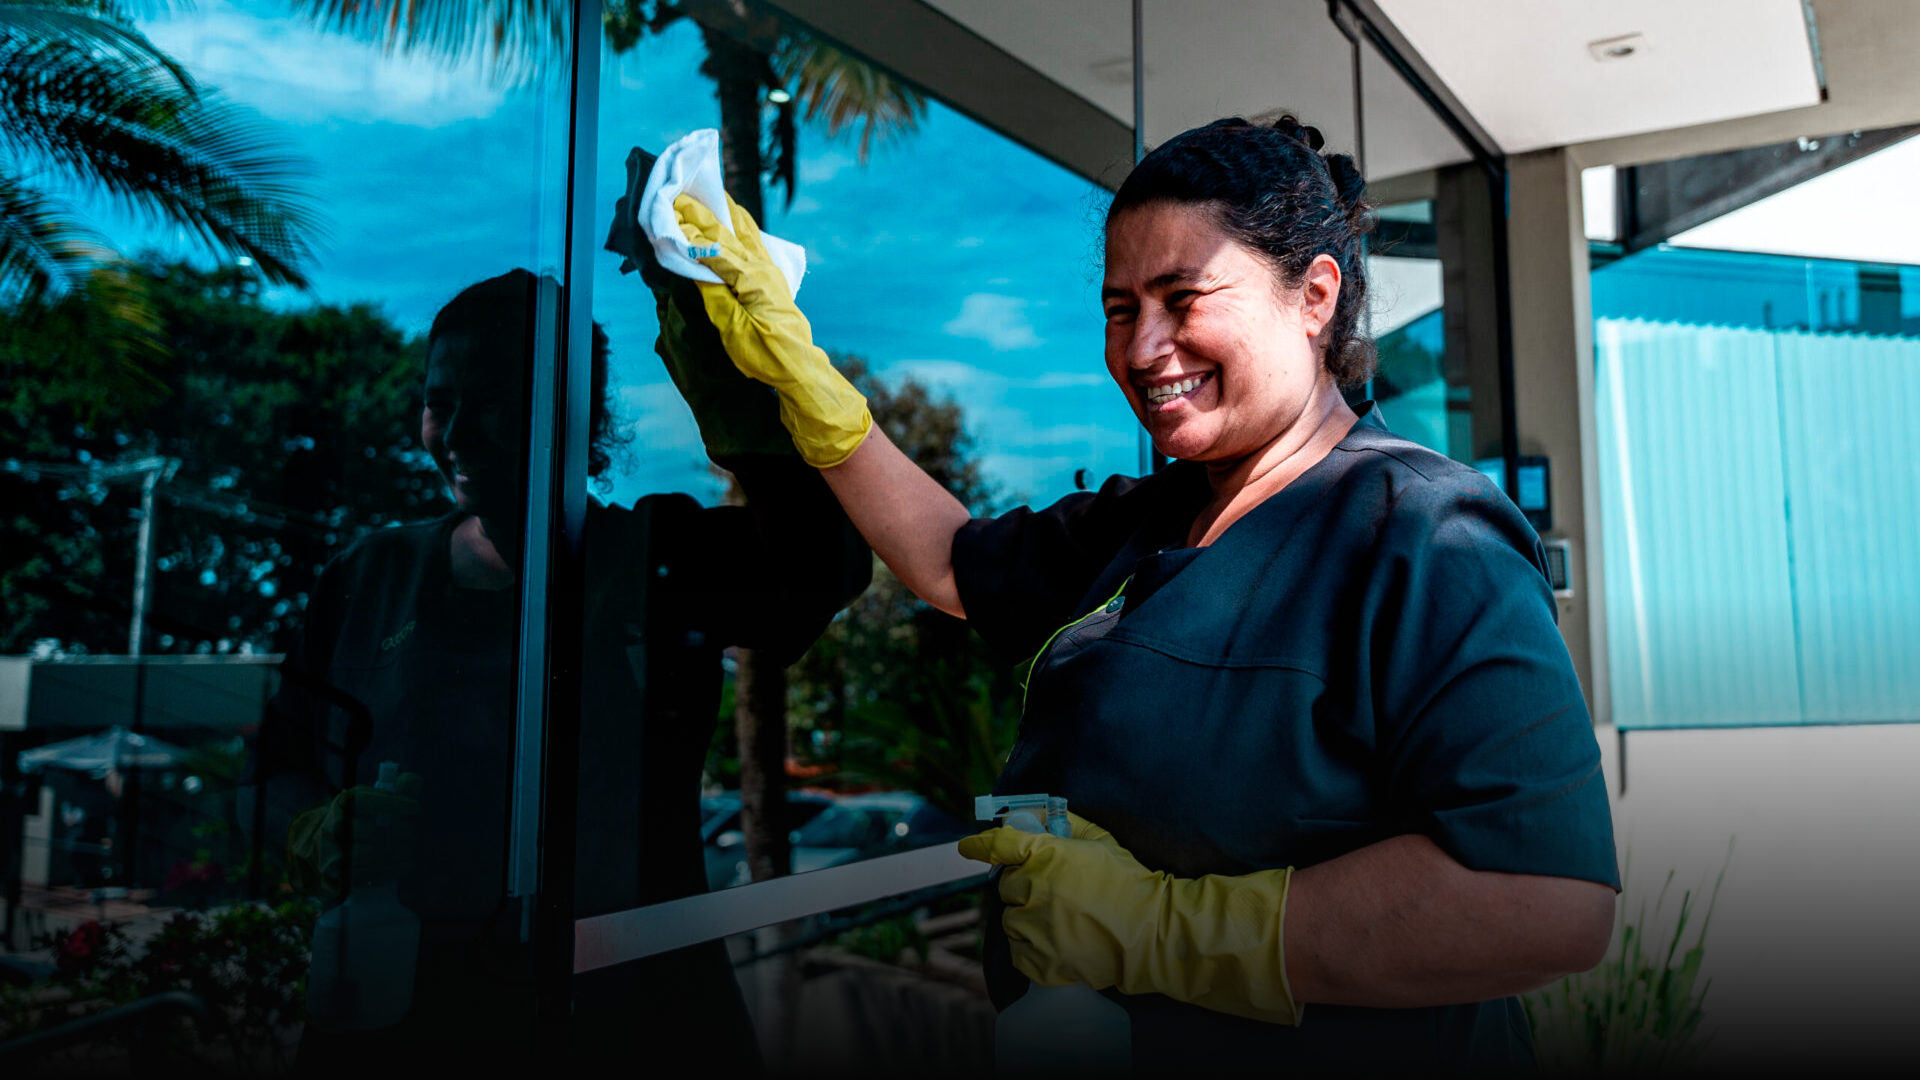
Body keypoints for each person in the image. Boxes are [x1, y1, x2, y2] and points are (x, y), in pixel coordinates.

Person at [666, 115, 1620, 1070]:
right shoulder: (1147, 520)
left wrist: (1163, 929)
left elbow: (1546, 900)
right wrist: (805, 378)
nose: (1144, 347)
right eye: (1122, 309)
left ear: (1314, 297)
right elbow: (952, 562)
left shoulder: (1426, 535)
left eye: (1184, 296)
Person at [245, 261, 869, 1071]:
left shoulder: (651, 560)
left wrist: (706, 340)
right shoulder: (368, 579)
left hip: (623, 1013)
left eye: (496, 403)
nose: (459, 432)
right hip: (394, 1021)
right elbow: (270, 770)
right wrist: (312, 831)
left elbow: (827, 561)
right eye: (440, 403)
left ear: (575, 415)